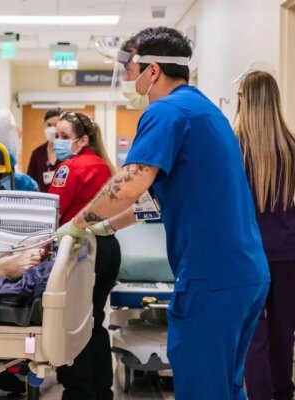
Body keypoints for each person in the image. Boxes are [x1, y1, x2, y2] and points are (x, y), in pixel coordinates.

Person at [56, 27, 270, 399]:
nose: (126, 78)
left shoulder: (166, 112)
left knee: (202, 389)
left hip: (211, 277)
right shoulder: (204, 111)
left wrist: (77, 223)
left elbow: (131, 182)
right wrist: (104, 226)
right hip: (246, 274)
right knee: (227, 387)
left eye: (129, 67)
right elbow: (151, 201)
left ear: (152, 71)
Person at [48, 112, 119, 400]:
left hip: (81, 253)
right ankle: (101, 391)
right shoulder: (103, 165)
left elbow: (53, 211)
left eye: (65, 136)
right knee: (94, 320)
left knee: (75, 325)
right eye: (57, 135)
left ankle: (79, 392)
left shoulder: (69, 168)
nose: (59, 141)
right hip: (109, 248)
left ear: (83, 140)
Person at [236, 72, 295, 400]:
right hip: (287, 253)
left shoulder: (234, 148)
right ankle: (283, 393)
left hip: (249, 254)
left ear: (244, 99)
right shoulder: (291, 146)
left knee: (253, 332)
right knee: (284, 329)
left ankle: (258, 395)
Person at [27, 108, 63, 192]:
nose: (52, 129)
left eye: (56, 125)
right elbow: (30, 183)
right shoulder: (37, 153)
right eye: (49, 125)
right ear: (44, 125)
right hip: (43, 202)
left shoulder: (69, 152)